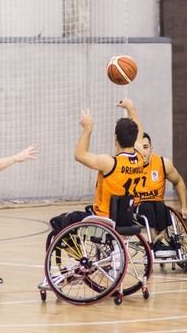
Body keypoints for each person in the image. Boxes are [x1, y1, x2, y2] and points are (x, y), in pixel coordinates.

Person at [46, 99, 144, 245]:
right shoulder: (140, 157)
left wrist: (87, 128)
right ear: (135, 138)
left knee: (59, 221)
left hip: (102, 222)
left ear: (115, 139)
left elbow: (79, 155)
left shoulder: (109, 163)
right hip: (126, 218)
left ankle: (78, 260)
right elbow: (139, 131)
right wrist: (131, 107)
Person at [136, 132, 187, 258]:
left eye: (146, 147)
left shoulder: (162, 163)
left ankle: (162, 239)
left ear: (151, 148)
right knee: (148, 206)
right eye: (140, 148)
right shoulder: (128, 165)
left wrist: (184, 206)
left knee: (161, 206)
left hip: (158, 206)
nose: (143, 152)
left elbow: (178, 181)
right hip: (137, 208)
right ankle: (157, 241)